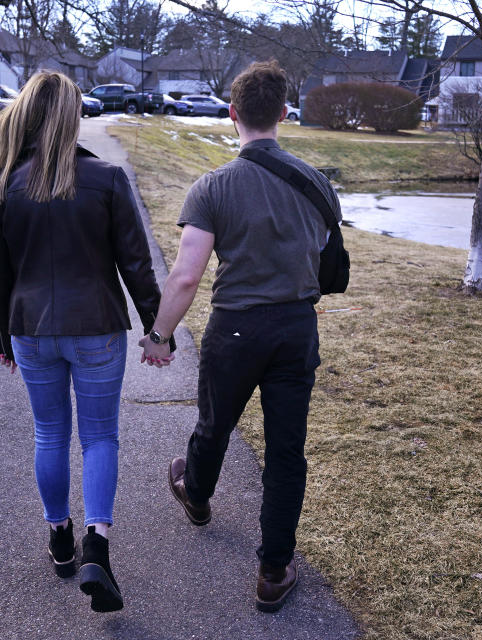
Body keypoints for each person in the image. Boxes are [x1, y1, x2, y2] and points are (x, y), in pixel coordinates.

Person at [139, 60, 341, 613]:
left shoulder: (214, 187)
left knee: (214, 424)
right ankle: (273, 570)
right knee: (285, 451)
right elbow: (326, 259)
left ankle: (197, 496)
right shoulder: (317, 182)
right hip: (296, 327)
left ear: (233, 115)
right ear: (282, 113)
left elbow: (185, 276)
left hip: (235, 327)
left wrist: (160, 335)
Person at [0, 71, 172, 613]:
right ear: (73, 116)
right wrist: (159, 332)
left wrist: (0, 335)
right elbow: (137, 265)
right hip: (96, 329)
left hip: (30, 330)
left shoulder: (4, 182)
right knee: (99, 437)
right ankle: (97, 547)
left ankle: (60, 538)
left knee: (49, 433)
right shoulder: (107, 179)